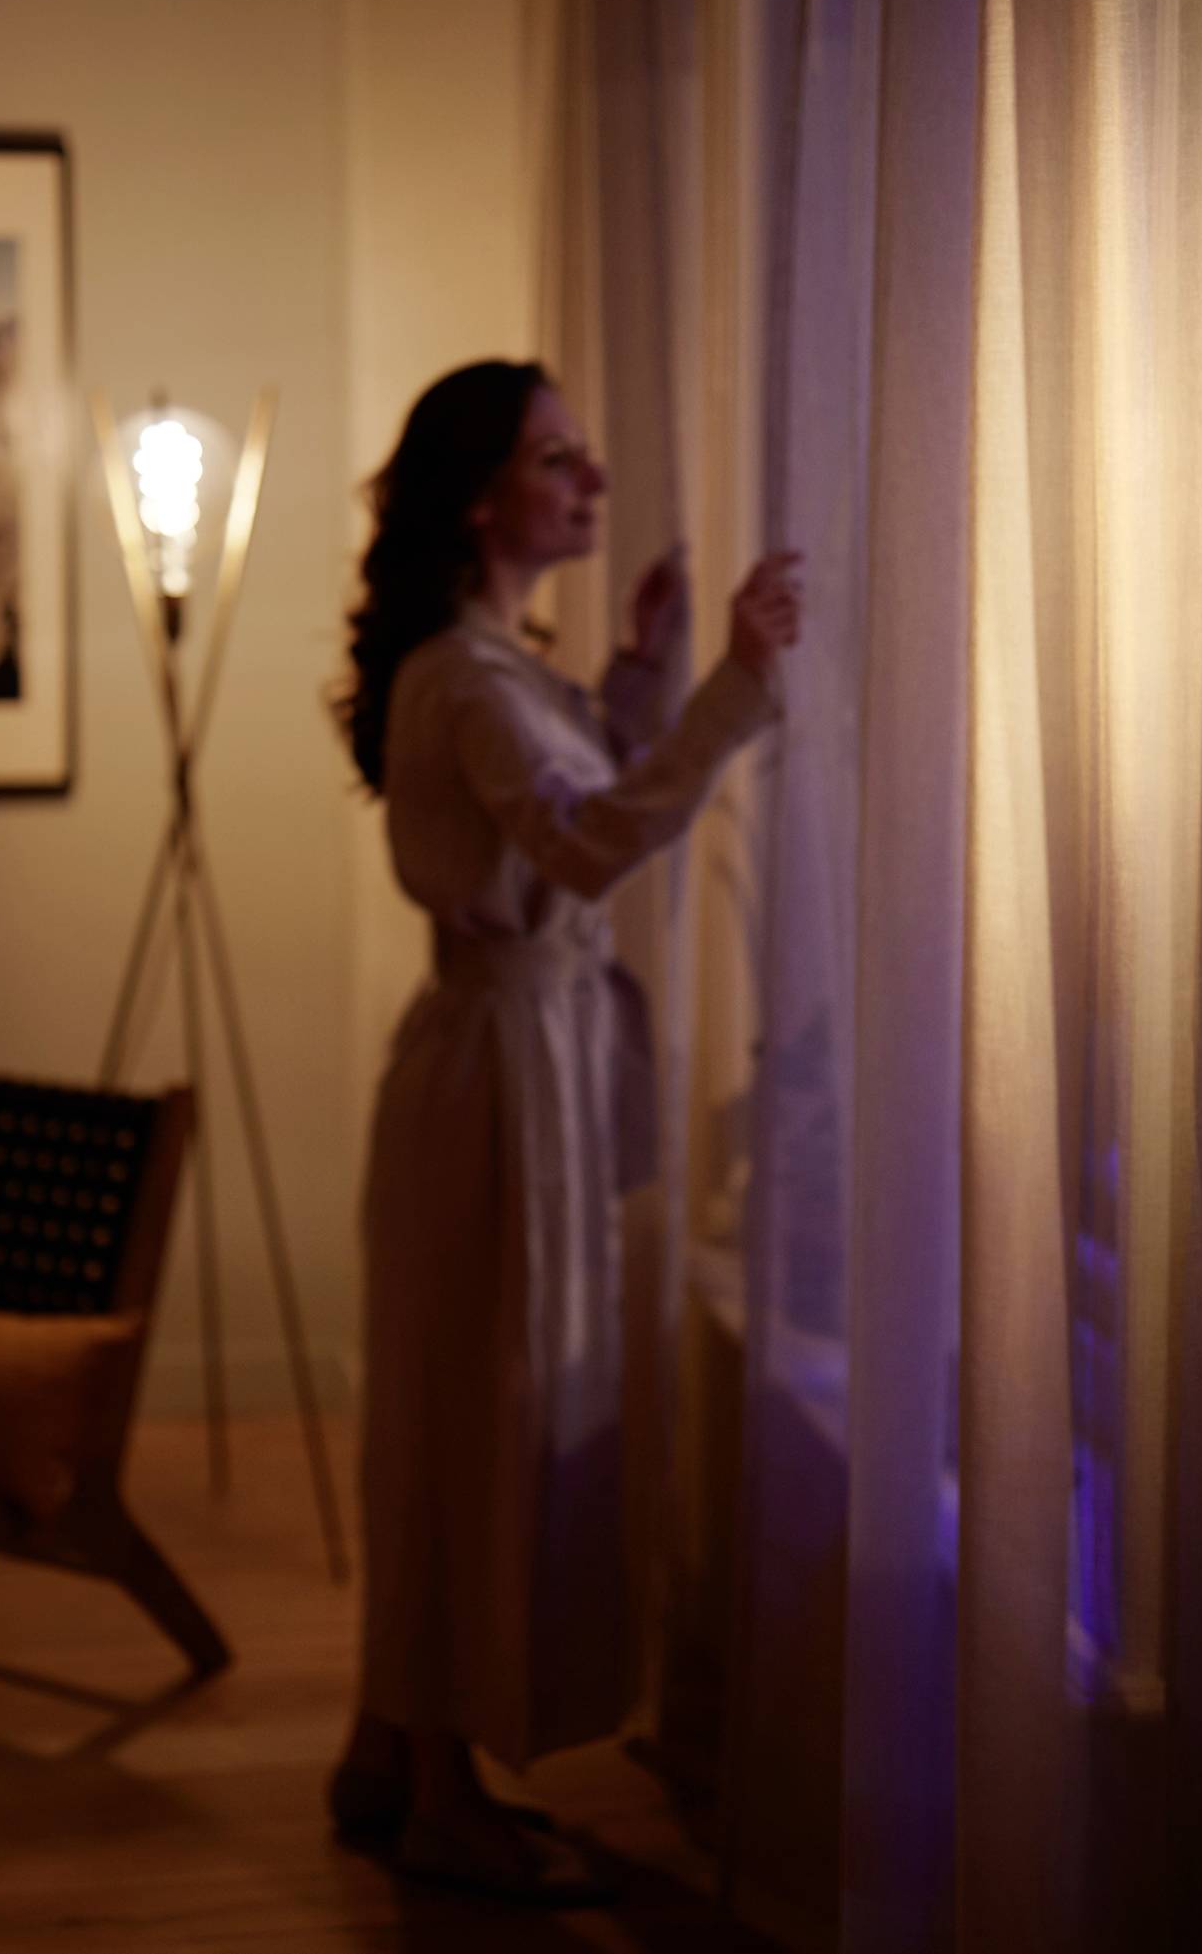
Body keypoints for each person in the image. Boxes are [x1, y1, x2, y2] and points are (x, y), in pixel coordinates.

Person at [328, 360, 801, 1904]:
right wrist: (730, 686)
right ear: (481, 494)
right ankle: (440, 1787)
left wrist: (646, 671)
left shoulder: (492, 669)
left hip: (504, 1055)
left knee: (452, 1399)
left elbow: (568, 790)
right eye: (559, 458)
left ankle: (391, 1744)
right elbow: (586, 842)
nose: (590, 481)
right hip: (493, 1080)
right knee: (475, 1410)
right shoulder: (465, 681)